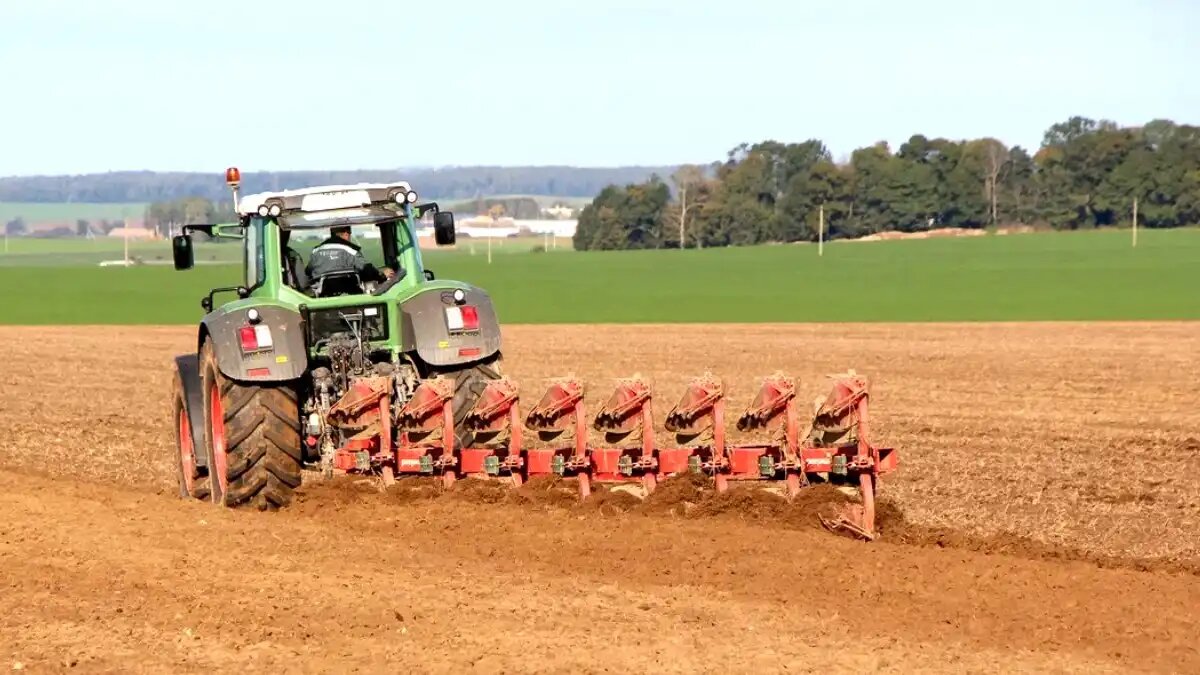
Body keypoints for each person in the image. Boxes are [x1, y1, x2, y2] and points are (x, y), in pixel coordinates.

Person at [305, 225, 393, 290]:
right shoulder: (351, 251)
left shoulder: (316, 251)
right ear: (346, 234)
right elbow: (367, 270)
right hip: (349, 291)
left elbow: (308, 271)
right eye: (349, 233)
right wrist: (382, 275)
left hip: (322, 294)